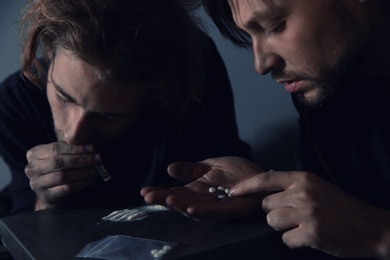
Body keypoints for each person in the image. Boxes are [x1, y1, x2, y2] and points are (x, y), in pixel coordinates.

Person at [141, 0, 390, 259]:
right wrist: (269, 192)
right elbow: (338, 214)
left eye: (274, 26)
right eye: (251, 36)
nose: (261, 64)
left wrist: (377, 232)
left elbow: (359, 225)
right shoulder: (327, 87)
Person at [0, 0, 251, 216]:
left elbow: (226, 174)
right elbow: (25, 229)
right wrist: (46, 200)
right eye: (64, 98)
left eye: (108, 117)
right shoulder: (14, 104)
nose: (73, 134)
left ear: (157, 93)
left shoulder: (194, 73)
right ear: (51, 48)